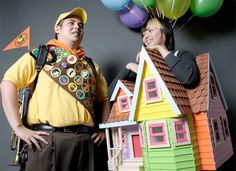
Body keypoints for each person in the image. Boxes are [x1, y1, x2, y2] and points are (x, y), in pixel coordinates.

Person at [1, 7, 110, 171]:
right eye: (71, 23)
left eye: (81, 25)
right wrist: (18, 128)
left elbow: (104, 99)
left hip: (85, 141)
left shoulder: (92, 66)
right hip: (48, 140)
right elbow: (8, 83)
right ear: (57, 29)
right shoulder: (40, 55)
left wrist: (104, 130)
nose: (77, 27)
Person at [108, 17, 200, 98]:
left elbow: (189, 79)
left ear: (165, 32)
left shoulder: (180, 54)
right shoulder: (142, 67)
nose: (145, 37)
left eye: (150, 30)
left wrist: (159, 48)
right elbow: (110, 95)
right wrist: (128, 67)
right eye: (143, 35)